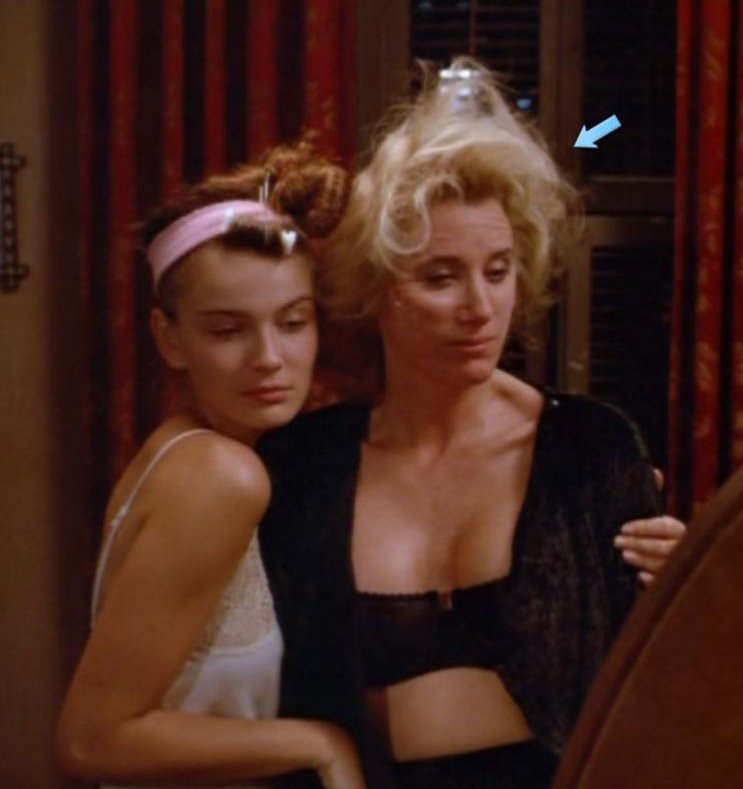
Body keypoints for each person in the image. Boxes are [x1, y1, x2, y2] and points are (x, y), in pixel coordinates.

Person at [256, 61, 686, 788]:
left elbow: (660, 693)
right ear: (377, 287)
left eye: (498, 270)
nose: (481, 308)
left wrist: (694, 590)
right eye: (440, 277)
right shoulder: (304, 463)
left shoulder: (591, 449)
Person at [57, 142, 365, 789]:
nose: (268, 356)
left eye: (292, 322)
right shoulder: (220, 476)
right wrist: (320, 743)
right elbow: (91, 740)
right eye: (228, 330)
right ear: (169, 338)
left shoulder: (182, 450)